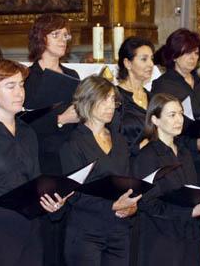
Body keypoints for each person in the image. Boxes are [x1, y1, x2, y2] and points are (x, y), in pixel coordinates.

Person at [0, 59, 69, 266]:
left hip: (30, 233)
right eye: (11, 86)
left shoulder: (28, 133)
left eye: (21, 85)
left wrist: (53, 204)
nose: (20, 92)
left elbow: (35, 185)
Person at [60, 76, 142, 266]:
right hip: (86, 234)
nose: (111, 105)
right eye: (104, 99)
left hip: (118, 230)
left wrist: (132, 205)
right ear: (87, 101)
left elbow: (128, 180)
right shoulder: (73, 144)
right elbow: (74, 195)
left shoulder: (119, 140)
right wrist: (113, 205)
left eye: (113, 99)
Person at [132, 93, 200, 266]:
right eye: (172, 115)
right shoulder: (147, 156)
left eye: (180, 113)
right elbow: (147, 203)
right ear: (155, 120)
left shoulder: (184, 153)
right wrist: (190, 212)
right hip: (160, 241)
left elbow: (189, 192)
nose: (179, 119)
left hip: (187, 235)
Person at [24, 13, 81, 266]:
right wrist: (59, 120)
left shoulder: (72, 75)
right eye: (55, 34)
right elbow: (23, 126)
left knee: (69, 232)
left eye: (65, 35)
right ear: (41, 38)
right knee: (47, 232)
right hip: (42, 159)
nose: (63, 40)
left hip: (69, 158)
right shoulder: (27, 78)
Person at [152, 28, 200, 187]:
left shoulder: (199, 83)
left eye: (196, 53)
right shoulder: (163, 84)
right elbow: (160, 125)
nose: (193, 58)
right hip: (179, 155)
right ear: (174, 55)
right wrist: (194, 144)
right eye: (188, 53)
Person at [116, 36, 155, 158]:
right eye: (144, 59)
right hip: (127, 164)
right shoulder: (114, 97)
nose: (151, 64)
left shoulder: (152, 97)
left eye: (151, 59)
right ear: (127, 63)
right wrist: (136, 148)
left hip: (152, 162)